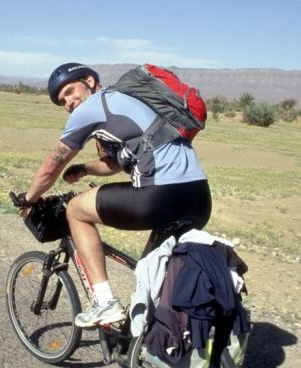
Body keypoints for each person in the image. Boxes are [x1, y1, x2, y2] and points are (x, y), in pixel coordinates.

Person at [20, 62, 212, 329]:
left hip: (158, 195)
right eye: (62, 101)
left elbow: (52, 164)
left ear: (89, 80)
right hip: (199, 198)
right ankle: (154, 344)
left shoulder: (91, 107)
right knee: (150, 269)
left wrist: (28, 199)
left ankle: (104, 303)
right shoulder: (127, 101)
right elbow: (121, 161)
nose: (68, 103)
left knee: (75, 209)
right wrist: (86, 169)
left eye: (70, 92)